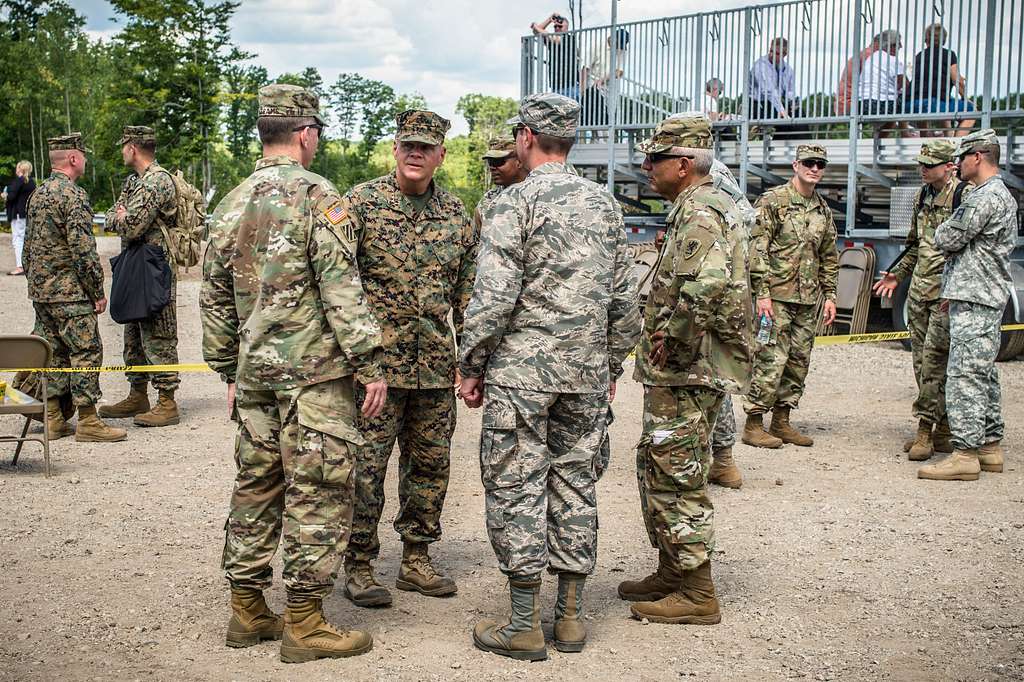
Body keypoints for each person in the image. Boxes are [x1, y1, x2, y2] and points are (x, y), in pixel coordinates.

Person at [201, 83, 387, 662]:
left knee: (256, 486)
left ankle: (247, 609)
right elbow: (341, 286)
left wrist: (229, 367)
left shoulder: (231, 201)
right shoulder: (319, 195)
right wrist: (370, 362)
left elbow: (211, 297)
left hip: (256, 376)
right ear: (305, 135)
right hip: (313, 378)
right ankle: (304, 623)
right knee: (319, 491)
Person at [459, 93, 640, 660]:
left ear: (526, 137)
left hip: (523, 374)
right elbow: (624, 300)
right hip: (585, 375)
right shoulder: (605, 205)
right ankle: (569, 617)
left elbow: (492, 296)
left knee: (516, 484)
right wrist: (610, 364)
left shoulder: (512, 203)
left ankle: (522, 623)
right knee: (576, 482)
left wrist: (471, 362)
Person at [617, 113, 751, 626]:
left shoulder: (700, 211)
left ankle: (697, 592)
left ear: (682, 163)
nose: (647, 167)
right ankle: (673, 569)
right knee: (659, 465)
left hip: (689, 369)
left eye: (654, 159)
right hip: (683, 370)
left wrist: (667, 340)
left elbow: (708, 287)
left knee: (678, 473)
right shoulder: (696, 206)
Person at [341, 110, 476, 608]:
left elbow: (467, 293)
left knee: (430, 466)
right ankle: (358, 563)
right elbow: (340, 286)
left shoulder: (457, 215)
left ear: (441, 155)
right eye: (407, 146)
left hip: (436, 371)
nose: (415, 154)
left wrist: (471, 363)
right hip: (376, 372)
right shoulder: (360, 204)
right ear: (394, 151)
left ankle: (416, 557)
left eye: (425, 147)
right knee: (365, 468)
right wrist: (359, 361)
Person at [918, 129, 1017, 481]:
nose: (957, 164)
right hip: (977, 295)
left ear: (978, 157)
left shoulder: (983, 197)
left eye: (962, 157)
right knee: (984, 373)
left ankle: (965, 453)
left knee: (964, 376)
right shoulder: (999, 195)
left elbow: (946, 236)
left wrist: (946, 229)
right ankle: (990, 447)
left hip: (976, 298)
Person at [23, 133, 126, 444]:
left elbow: (28, 248)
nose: (85, 159)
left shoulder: (37, 195)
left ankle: (53, 417)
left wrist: (35, 282)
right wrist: (97, 291)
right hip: (71, 293)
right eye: (83, 155)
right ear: (73, 159)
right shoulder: (73, 196)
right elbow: (83, 251)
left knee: (51, 353)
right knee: (86, 351)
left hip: (42, 293)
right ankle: (89, 419)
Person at [872, 140, 966, 460]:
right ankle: (942, 428)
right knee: (920, 363)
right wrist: (898, 275)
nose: (922, 168)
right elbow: (915, 244)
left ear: (948, 166)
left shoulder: (961, 197)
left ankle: (926, 430)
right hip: (919, 293)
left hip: (944, 294)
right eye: (921, 163)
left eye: (929, 163)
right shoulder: (921, 196)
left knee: (936, 362)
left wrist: (956, 292)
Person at [743, 145, 838, 448]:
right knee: (770, 358)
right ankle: (754, 423)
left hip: (808, 300)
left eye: (820, 164)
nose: (815, 169)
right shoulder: (774, 201)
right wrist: (762, 294)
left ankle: (782, 421)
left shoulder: (822, 209)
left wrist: (831, 295)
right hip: (777, 298)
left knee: (798, 361)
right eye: (809, 163)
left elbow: (828, 255)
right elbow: (756, 248)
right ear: (796, 165)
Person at [100, 126, 182, 428]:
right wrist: (119, 216)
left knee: (157, 328)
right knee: (133, 331)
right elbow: (111, 217)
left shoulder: (157, 181)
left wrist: (123, 217)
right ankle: (138, 393)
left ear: (133, 147)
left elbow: (131, 225)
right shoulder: (133, 182)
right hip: (135, 262)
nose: (122, 150)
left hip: (154, 265)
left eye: (124, 146)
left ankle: (167, 401)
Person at [708, 157, 756, 489]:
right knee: (716, 376)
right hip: (729, 282)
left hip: (714, 284)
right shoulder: (716, 171)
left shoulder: (709, 173)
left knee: (708, 376)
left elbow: (743, 222)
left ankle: (720, 459)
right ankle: (722, 459)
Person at [908, 23, 976, 136]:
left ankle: (924, 141)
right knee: (972, 111)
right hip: (935, 103)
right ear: (943, 40)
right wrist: (965, 98)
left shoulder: (919, 56)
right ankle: (955, 144)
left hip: (912, 103)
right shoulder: (948, 55)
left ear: (926, 39)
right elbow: (957, 80)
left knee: (937, 104)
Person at [857, 30, 917, 137]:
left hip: (863, 106)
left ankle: (878, 137)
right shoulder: (893, 60)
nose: (901, 47)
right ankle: (906, 133)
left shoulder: (871, 58)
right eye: (899, 44)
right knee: (904, 98)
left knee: (893, 110)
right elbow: (906, 85)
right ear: (892, 45)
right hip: (880, 105)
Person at [473, 135, 527, 237]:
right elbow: (476, 245)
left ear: (519, 161)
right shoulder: (487, 202)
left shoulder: (537, 194)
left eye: (498, 161)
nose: (492, 167)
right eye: (490, 162)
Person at [581, 28, 630, 127]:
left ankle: (604, 139)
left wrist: (603, 80)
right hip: (593, 89)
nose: (619, 48)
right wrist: (582, 89)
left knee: (609, 119)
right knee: (595, 118)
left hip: (610, 90)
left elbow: (619, 71)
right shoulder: (597, 46)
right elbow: (585, 68)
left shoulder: (622, 51)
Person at [530, 12, 581, 101]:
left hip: (570, 86)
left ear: (566, 27)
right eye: (555, 26)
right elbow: (537, 32)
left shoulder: (569, 39)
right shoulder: (552, 42)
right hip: (556, 86)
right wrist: (550, 19)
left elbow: (542, 32)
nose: (557, 28)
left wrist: (535, 25)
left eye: (560, 26)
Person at [747, 37, 796, 120]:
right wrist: (781, 110)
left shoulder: (788, 69)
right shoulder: (760, 66)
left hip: (774, 103)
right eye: (771, 51)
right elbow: (768, 91)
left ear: (784, 55)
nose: (771, 55)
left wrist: (791, 104)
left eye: (776, 53)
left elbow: (790, 91)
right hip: (756, 104)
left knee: (799, 114)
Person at [5, 160, 35, 276]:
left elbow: (11, 197)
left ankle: (20, 266)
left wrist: (5, 195)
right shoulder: (31, 182)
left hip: (18, 214)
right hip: (27, 215)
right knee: (25, 239)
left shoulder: (19, 181)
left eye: (17, 168)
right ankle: (26, 265)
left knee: (17, 240)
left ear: (20, 169)